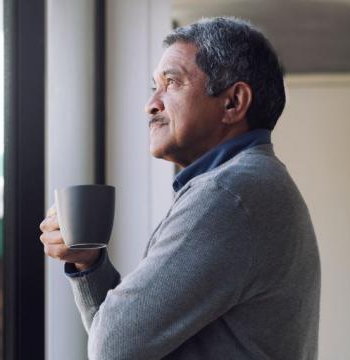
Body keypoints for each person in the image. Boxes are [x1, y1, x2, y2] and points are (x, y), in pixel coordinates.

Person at [39, 16, 320, 359]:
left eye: (172, 82)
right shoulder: (253, 183)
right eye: (153, 86)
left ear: (233, 103)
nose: (151, 104)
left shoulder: (228, 195)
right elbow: (126, 340)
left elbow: (111, 348)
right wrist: (88, 264)